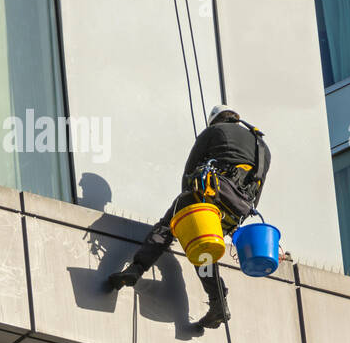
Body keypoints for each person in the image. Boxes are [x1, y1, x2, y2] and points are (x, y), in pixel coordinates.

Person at [106, 103, 271, 330]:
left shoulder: (213, 132)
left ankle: (136, 269)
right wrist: (235, 218)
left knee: (170, 223)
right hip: (237, 210)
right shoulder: (263, 146)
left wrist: (189, 201)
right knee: (203, 249)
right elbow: (257, 191)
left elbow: (189, 173)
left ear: (215, 120)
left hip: (212, 195)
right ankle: (217, 302)